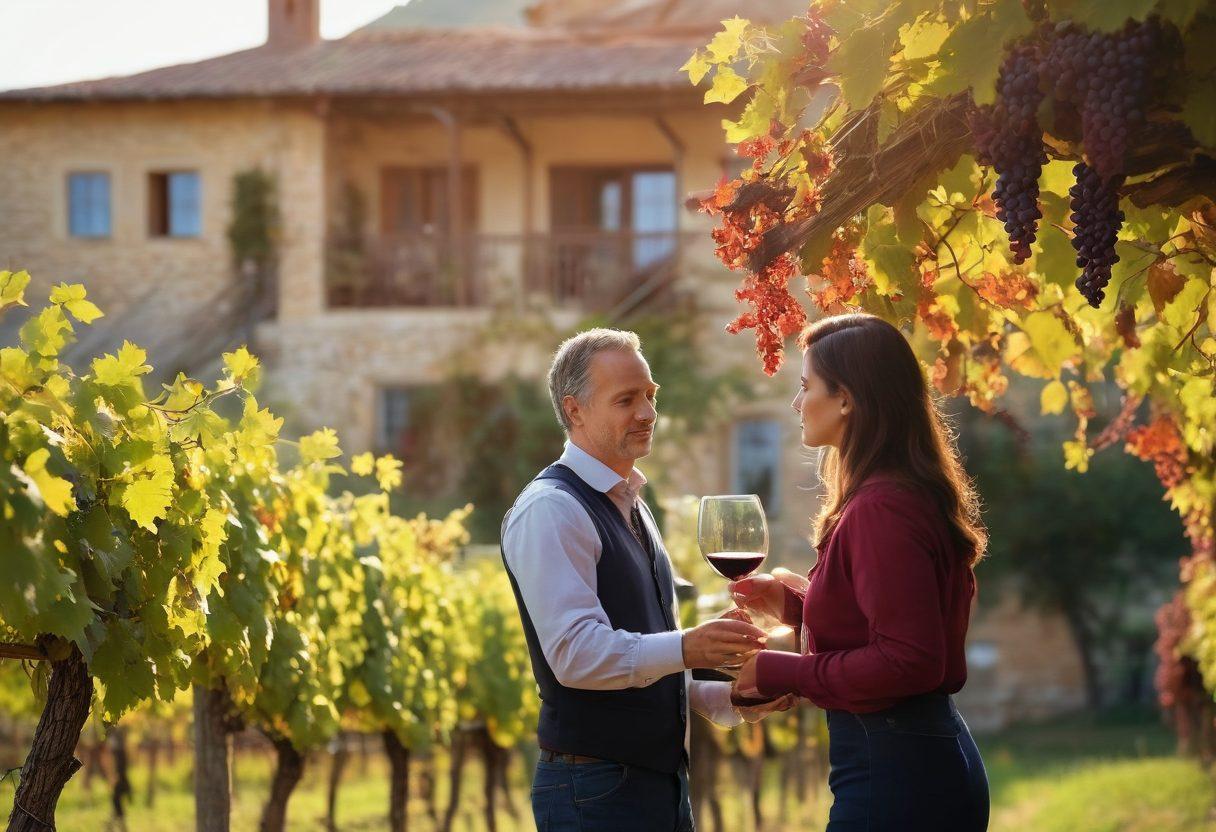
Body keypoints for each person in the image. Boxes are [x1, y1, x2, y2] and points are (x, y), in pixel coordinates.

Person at [501, 328, 794, 832]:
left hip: (655, 783)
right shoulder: (552, 509)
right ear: (575, 411)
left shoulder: (629, 503)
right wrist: (687, 647)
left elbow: (645, 664)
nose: (647, 412)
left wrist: (730, 697)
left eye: (650, 395)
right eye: (626, 400)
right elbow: (575, 655)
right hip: (595, 791)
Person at [729, 313, 991, 831]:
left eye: (806, 387)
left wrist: (780, 671)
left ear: (846, 398)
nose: (797, 403)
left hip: (897, 777)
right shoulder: (897, 494)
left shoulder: (881, 508)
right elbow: (890, 626)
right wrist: (792, 607)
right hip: (911, 761)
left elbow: (909, 660)